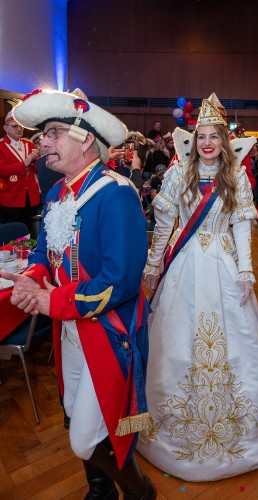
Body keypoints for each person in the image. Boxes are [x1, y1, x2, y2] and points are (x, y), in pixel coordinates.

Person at [3, 88, 156, 499]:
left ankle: (141, 492)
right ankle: (101, 490)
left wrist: (50, 300)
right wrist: (31, 277)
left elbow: (120, 282)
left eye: (53, 133)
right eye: (42, 135)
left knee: (84, 438)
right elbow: (43, 251)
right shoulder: (57, 192)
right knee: (74, 412)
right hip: (69, 328)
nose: (43, 143)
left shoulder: (116, 194)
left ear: (86, 138)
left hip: (108, 330)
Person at [138, 94, 258, 481]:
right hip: (185, 263)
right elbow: (164, 224)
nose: (207, 142)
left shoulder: (235, 176)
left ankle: (244, 432)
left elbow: (241, 225)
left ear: (224, 141)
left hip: (223, 262)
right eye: (202, 136)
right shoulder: (179, 173)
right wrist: (153, 264)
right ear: (194, 140)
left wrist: (246, 270)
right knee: (175, 340)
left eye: (214, 136)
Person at [0, 110, 41, 234]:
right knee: (12, 234)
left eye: (20, 126)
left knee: (32, 233)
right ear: (5, 128)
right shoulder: (1, 146)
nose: (18, 129)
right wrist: (25, 163)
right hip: (11, 198)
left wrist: (36, 161)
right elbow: (1, 170)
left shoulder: (29, 144)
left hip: (31, 198)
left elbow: (36, 170)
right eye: (14, 126)